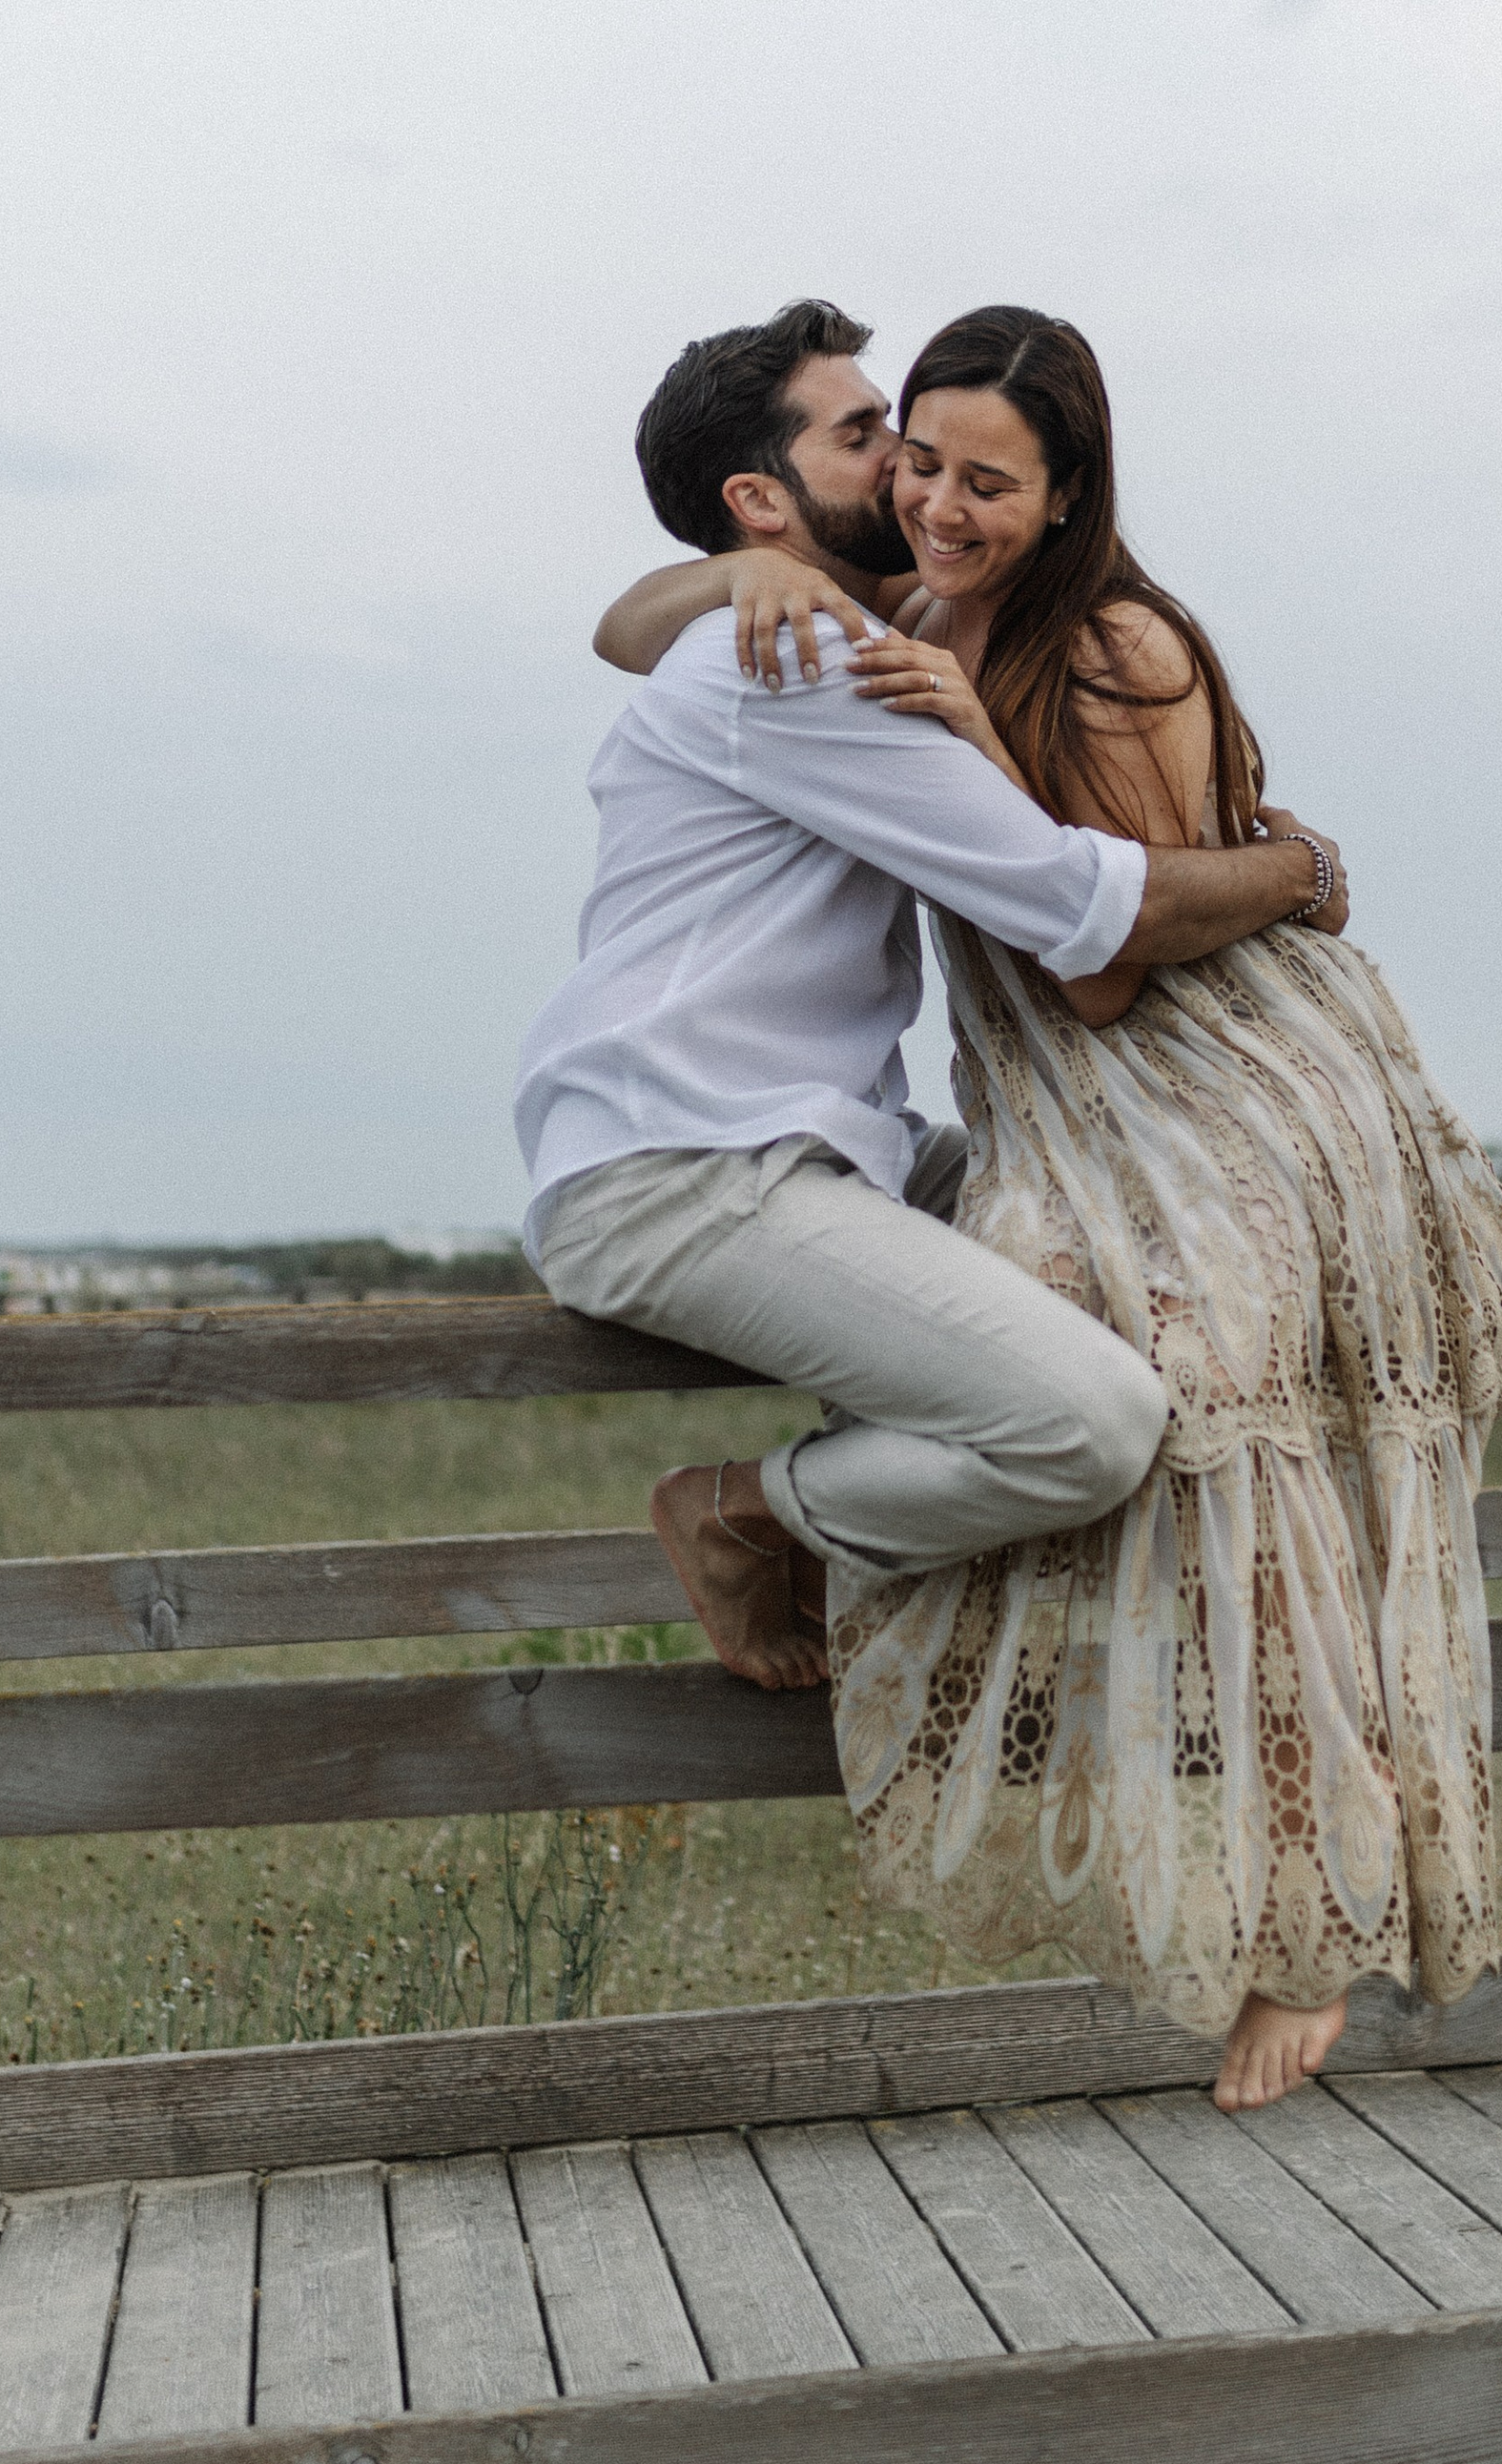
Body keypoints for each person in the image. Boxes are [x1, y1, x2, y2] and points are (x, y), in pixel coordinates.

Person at [603, 305, 1502, 2112]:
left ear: (1067, 492)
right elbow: (619, 625)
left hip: (1221, 1092)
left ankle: (1305, 1932)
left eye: (974, 475)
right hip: (1064, 1100)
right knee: (1119, 1421)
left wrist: (1279, 860)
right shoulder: (869, 621)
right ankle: (796, 1536)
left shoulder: (1103, 637)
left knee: (1233, 1444)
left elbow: (1106, 973)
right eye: (904, 453)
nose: (930, 495)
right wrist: (718, 586)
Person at [516, 298, 1353, 1706]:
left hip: (808, 1146)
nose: (907, 474)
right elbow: (1088, 919)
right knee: (1090, 1426)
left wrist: (731, 574)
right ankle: (750, 1513)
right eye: (870, 443)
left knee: (1151, 1241)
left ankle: (1174, 1671)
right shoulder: (802, 663)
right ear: (761, 498)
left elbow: (620, 624)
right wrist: (1300, 866)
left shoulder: (818, 621)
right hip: (690, 1170)